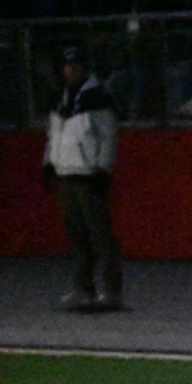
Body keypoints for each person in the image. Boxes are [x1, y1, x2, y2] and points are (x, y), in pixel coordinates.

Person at [43, 46, 124, 311]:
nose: (71, 70)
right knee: (77, 236)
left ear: (85, 67)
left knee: (100, 236)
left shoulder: (99, 97)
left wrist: (103, 168)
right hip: (66, 173)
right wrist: (49, 163)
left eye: (76, 65)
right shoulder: (61, 98)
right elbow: (54, 135)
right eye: (68, 65)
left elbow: (109, 136)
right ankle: (83, 289)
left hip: (89, 176)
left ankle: (112, 291)